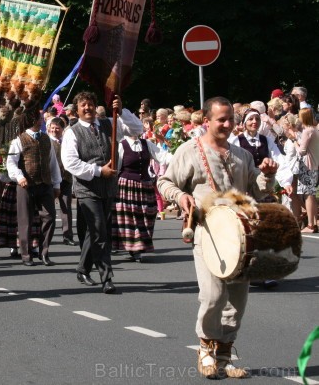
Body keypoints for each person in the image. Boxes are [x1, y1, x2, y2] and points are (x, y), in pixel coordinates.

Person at [158, 96, 277, 379]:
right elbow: (164, 182)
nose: (226, 124)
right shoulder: (189, 150)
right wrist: (181, 195)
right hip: (207, 234)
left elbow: (257, 191)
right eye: (220, 119)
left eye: (230, 119)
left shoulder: (242, 155)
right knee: (213, 296)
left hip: (241, 238)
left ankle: (225, 355)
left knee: (237, 299)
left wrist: (268, 176)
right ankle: (205, 349)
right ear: (207, 120)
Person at [61, 92, 142, 294]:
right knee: (99, 231)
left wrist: (122, 111)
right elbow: (70, 163)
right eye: (83, 106)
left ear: (95, 107)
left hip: (108, 188)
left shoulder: (109, 124)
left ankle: (82, 268)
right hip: (87, 189)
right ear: (77, 110)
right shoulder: (72, 132)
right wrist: (98, 171)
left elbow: (137, 129)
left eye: (90, 104)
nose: (87, 108)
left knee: (97, 231)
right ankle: (107, 277)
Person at [6, 111, 61, 266]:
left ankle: (44, 252)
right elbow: (10, 162)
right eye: (37, 118)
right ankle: (26, 254)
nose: (40, 121)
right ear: (30, 120)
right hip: (26, 185)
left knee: (49, 217)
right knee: (26, 221)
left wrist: (56, 184)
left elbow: (53, 163)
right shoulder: (18, 139)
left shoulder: (46, 139)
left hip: (45, 184)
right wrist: (19, 176)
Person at [111, 130, 170, 262]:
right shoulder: (122, 145)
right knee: (130, 218)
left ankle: (138, 246)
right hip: (126, 185)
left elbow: (163, 157)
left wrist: (179, 157)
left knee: (147, 214)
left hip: (145, 185)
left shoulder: (146, 144)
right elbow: (117, 167)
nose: (135, 131)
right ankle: (134, 248)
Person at [47, 117, 75, 246]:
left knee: (66, 208)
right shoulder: (47, 142)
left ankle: (68, 236)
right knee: (48, 210)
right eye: (52, 128)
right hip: (51, 181)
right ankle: (46, 236)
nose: (54, 130)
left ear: (62, 129)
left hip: (66, 179)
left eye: (57, 128)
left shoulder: (67, 142)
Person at [297, 108, 318, 232]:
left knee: (308, 195)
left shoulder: (307, 131)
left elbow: (302, 151)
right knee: (312, 194)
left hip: (307, 166)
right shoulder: (315, 130)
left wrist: (295, 141)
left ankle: (310, 225)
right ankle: (314, 222)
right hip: (314, 165)